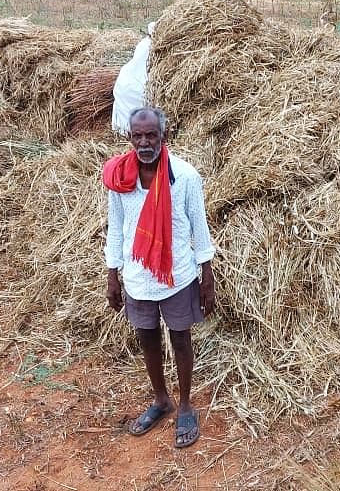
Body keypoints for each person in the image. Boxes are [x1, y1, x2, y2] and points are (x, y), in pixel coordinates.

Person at [103, 107, 216, 449]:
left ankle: (184, 405)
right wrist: (112, 274)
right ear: (129, 138)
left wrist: (206, 275)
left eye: (151, 135)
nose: (144, 142)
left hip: (178, 275)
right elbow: (117, 230)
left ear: (163, 137)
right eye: (138, 136)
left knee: (180, 339)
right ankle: (161, 400)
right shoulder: (120, 179)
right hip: (137, 276)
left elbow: (200, 227)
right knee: (147, 338)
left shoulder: (184, 176)